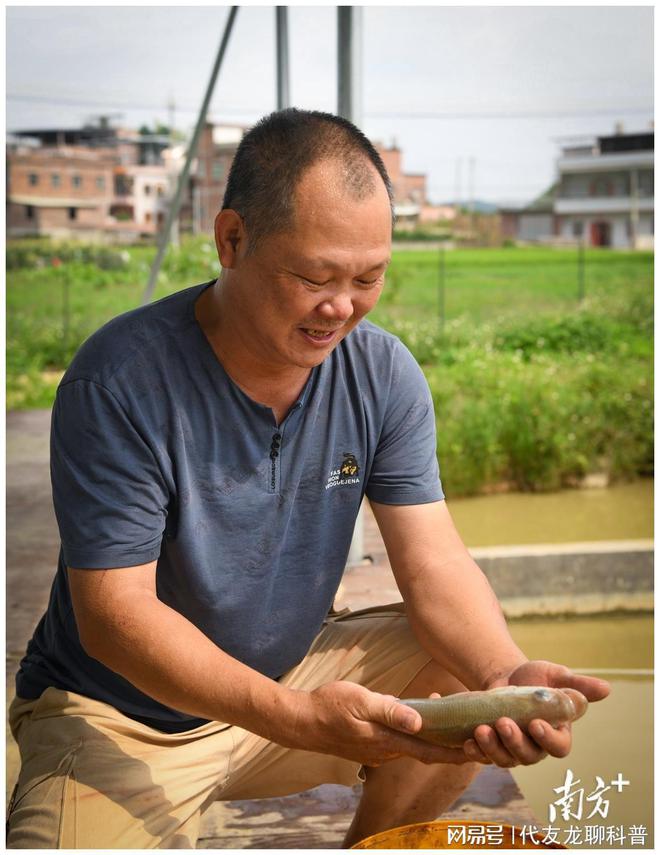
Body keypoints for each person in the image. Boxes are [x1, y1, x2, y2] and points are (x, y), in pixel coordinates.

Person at [8, 109, 609, 849]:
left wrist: (507, 674)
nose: (343, 308)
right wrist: (296, 716)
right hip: (123, 719)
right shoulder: (121, 381)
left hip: (290, 681)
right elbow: (113, 615)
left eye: (368, 278)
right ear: (232, 240)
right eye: (315, 276)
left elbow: (434, 562)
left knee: (461, 676)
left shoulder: (382, 374)